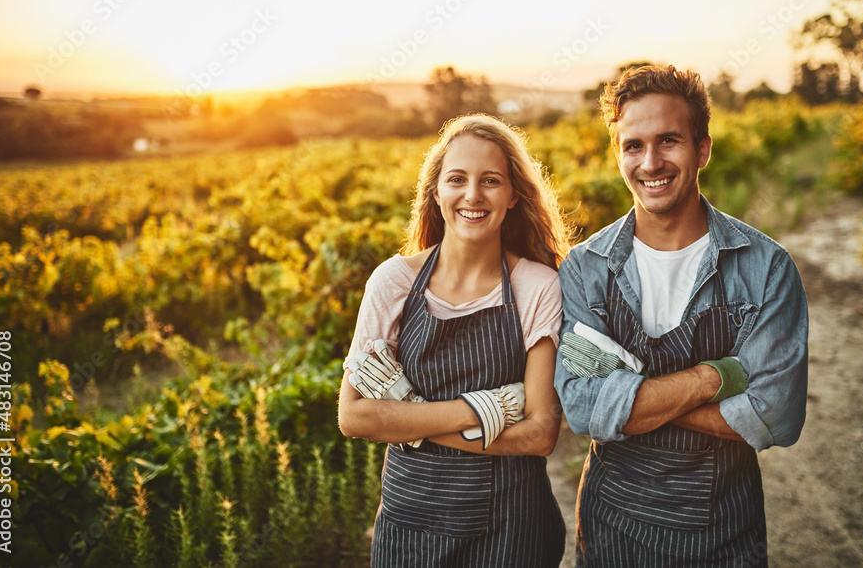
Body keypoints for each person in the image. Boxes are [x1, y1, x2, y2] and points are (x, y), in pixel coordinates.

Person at [554, 65, 808, 566]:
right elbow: (582, 409)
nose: (651, 162)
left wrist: (629, 396)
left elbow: (776, 415)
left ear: (703, 150)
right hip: (611, 531)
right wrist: (719, 375)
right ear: (618, 153)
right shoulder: (585, 268)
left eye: (669, 140)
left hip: (723, 534)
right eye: (633, 145)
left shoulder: (765, 267)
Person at [337, 114, 571, 567]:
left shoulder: (539, 287)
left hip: (513, 528)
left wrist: (410, 422)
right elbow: (354, 415)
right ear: (436, 191)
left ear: (512, 195)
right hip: (411, 527)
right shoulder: (393, 283)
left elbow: (540, 434)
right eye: (457, 179)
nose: (473, 195)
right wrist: (486, 409)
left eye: (491, 181)